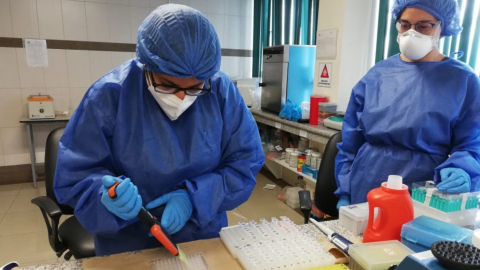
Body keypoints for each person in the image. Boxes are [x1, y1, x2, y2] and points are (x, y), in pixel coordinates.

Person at [53, 4, 265, 256]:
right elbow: (76, 177)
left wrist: (193, 197)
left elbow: (244, 164)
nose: (181, 97)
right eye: (167, 85)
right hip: (126, 244)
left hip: (201, 238)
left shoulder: (220, 91)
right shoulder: (109, 95)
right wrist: (105, 194)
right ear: (146, 65)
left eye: (195, 87)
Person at [335, 0, 480, 208]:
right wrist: (345, 189)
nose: (412, 33)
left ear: (443, 26)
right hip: (368, 180)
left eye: (423, 26)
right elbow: (351, 142)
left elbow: (472, 143)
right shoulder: (379, 74)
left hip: (424, 189)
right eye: (405, 25)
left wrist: (462, 168)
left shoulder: (462, 80)